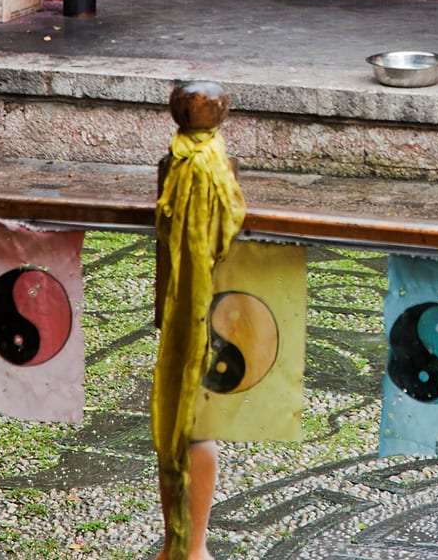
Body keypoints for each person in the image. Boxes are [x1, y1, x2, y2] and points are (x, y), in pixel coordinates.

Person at [153, 80, 246, 560]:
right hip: (201, 295)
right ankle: (187, 548)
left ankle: (187, 547)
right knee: (188, 417)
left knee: (186, 414)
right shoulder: (211, 165)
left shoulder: (188, 164)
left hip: (190, 295)